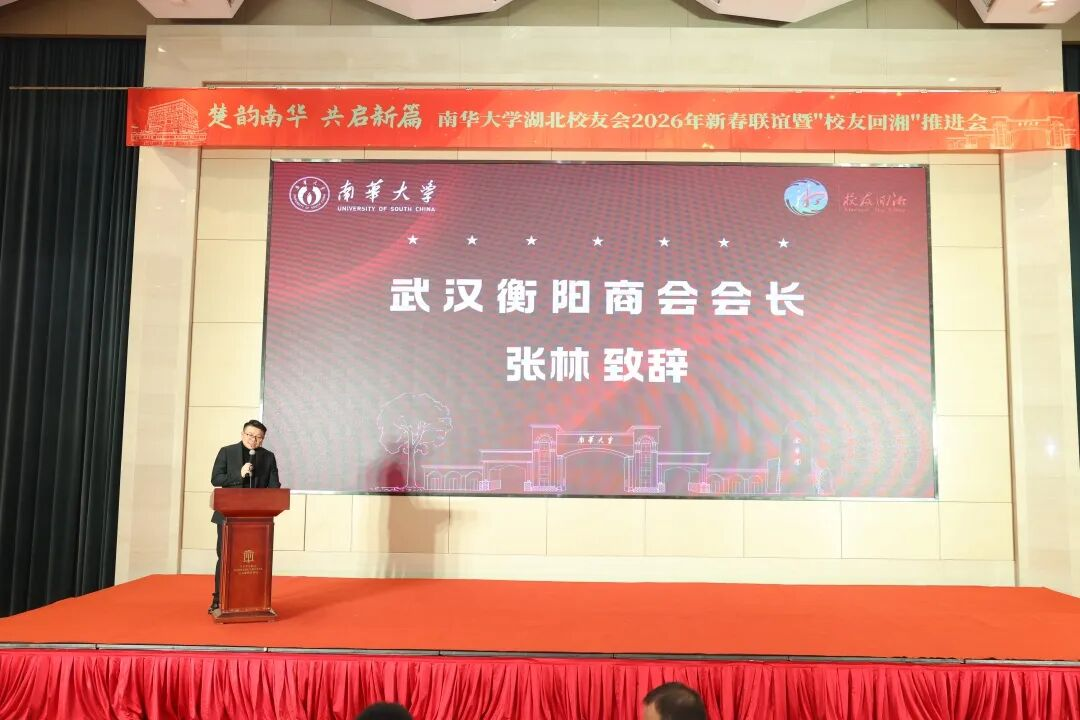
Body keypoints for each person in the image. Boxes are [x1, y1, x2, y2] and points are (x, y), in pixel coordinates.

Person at [208, 419, 280, 614]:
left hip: (257, 519)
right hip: (227, 516)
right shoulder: (226, 452)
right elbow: (216, 479)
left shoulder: (268, 457)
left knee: (254, 560)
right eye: (250, 435)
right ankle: (218, 599)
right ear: (242, 434)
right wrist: (239, 475)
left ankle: (253, 598)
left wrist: (270, 496)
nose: (253, 440)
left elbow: (274, 486)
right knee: (225, 557)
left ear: (263, 439)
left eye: (258, 437)